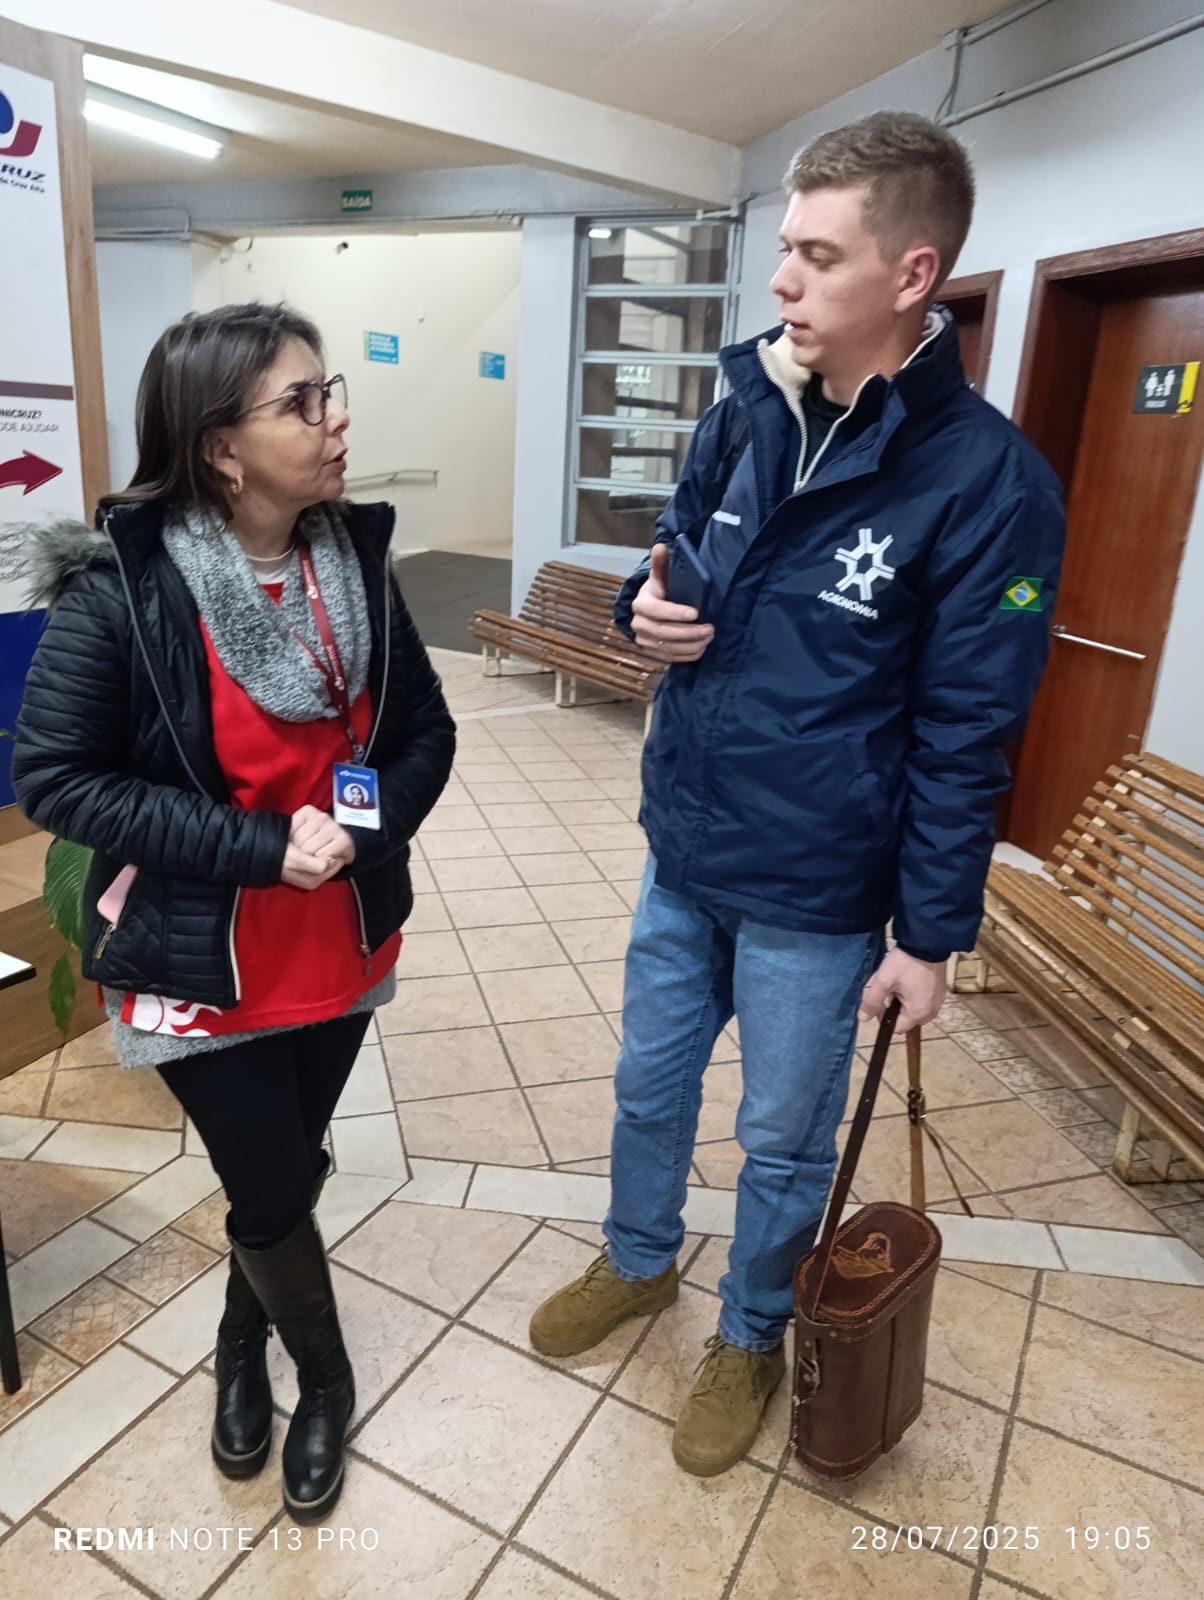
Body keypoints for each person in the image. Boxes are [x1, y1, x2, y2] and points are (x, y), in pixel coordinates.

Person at [530, 112, 1065, 1476]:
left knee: (781, 1137)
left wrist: (927, 937)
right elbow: (675, 555)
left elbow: (967, 729)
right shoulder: (746, 412)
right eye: (786, 248)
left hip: (818, 893)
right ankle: (637, 1258)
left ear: (910, 273)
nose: (781, 280)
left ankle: (752, 1329)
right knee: (647, 1088)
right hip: (686, 848)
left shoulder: (990, 485)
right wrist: (646, 612)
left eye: (818, 256)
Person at [12, 303, 455, 1520]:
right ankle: (325, 1379)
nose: (335, 419)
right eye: (301, 401)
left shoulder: (351, 561)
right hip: (200, 958)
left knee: (281, 1175)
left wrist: (365, 828)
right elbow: (59, 778)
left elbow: (423, 732)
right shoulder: (125, 587)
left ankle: (237, 1336)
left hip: (340, 940)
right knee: (266, 1178)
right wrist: (262, 846)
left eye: (329, 391)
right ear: (220, 446)